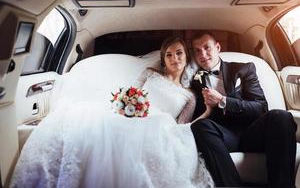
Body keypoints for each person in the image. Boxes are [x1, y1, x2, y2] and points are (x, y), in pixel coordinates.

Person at [10, 37, 214, 188]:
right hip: (131, 114)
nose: (174, 58)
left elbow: (182, 127)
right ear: (163, 59)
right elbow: (129, 93)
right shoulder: (150, 73)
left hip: (158, 127)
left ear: (186, 57)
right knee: (90, 119)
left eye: (178, 53)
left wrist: (208, 111)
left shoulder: (189, 96)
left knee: (157, 124)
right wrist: (127, 104)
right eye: (169, 54)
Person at [190, 31, 297, 187]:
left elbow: (261, 108)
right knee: (200, 126)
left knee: (281, 116)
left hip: (252, 133)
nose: (203, 54)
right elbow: (199, 116)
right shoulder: (195, 81)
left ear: (218, 47)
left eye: (207, 48)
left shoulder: (243, 69)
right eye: (197, 51)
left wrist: (223, 100)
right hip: (223, 138)